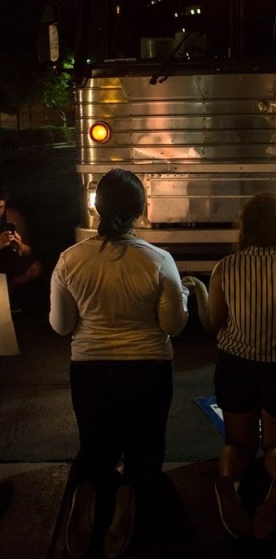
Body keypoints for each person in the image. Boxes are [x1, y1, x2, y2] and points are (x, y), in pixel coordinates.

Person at [49, 168, 190, 559]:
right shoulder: (159, 261)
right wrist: (185, 302)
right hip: (148, 369)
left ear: (96, 208)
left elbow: (61, 326)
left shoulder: (70, 260)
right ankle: (131, 495)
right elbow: (172, 326)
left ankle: (88, 491)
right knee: (145, 450)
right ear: (141, 211)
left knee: (96, 446)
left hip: (90, 369)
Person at [186, 192, 276, 540]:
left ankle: (228, 484)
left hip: (235, 365)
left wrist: (202, 293)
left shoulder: (227, 266)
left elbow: (213, 323)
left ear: (246, 227)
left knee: (238, 443)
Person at [0, 188, 44, 312]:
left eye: (0, 208)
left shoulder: (12, 216)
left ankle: (8, 294)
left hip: (7, 260)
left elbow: (28, 250)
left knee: (35, 267)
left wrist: (20, 246)